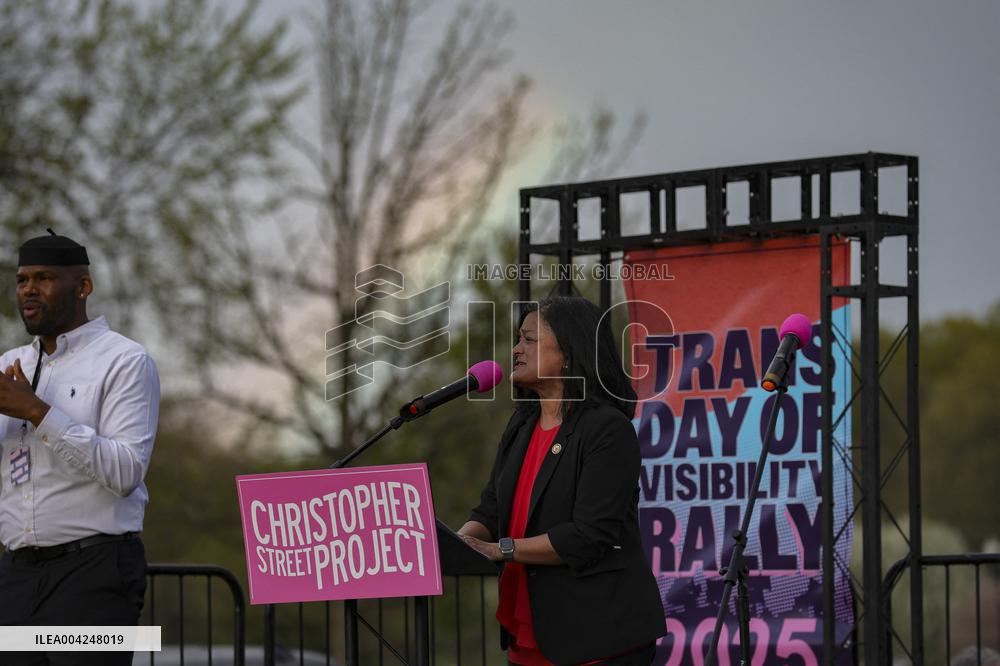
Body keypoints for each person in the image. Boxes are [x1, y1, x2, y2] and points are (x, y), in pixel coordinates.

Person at [459, 296, 665, 665]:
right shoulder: (521, 424)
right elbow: (491, 508)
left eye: (529, 340)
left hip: (597, 639)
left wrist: (501, 549)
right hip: (528, 636)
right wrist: (460, 542)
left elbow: (590, 535)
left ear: (568, 353)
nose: (516, 349)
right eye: (518, 339)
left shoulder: (606, 429)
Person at [0, 229, 160, 665]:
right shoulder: (8, 365)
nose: (29, 289)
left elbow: (126, 472)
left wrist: (37, 410)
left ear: (83, 286)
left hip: (93, 575)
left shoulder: (124, 361)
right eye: (21, 279)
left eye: (45, 277)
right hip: (17, 576)